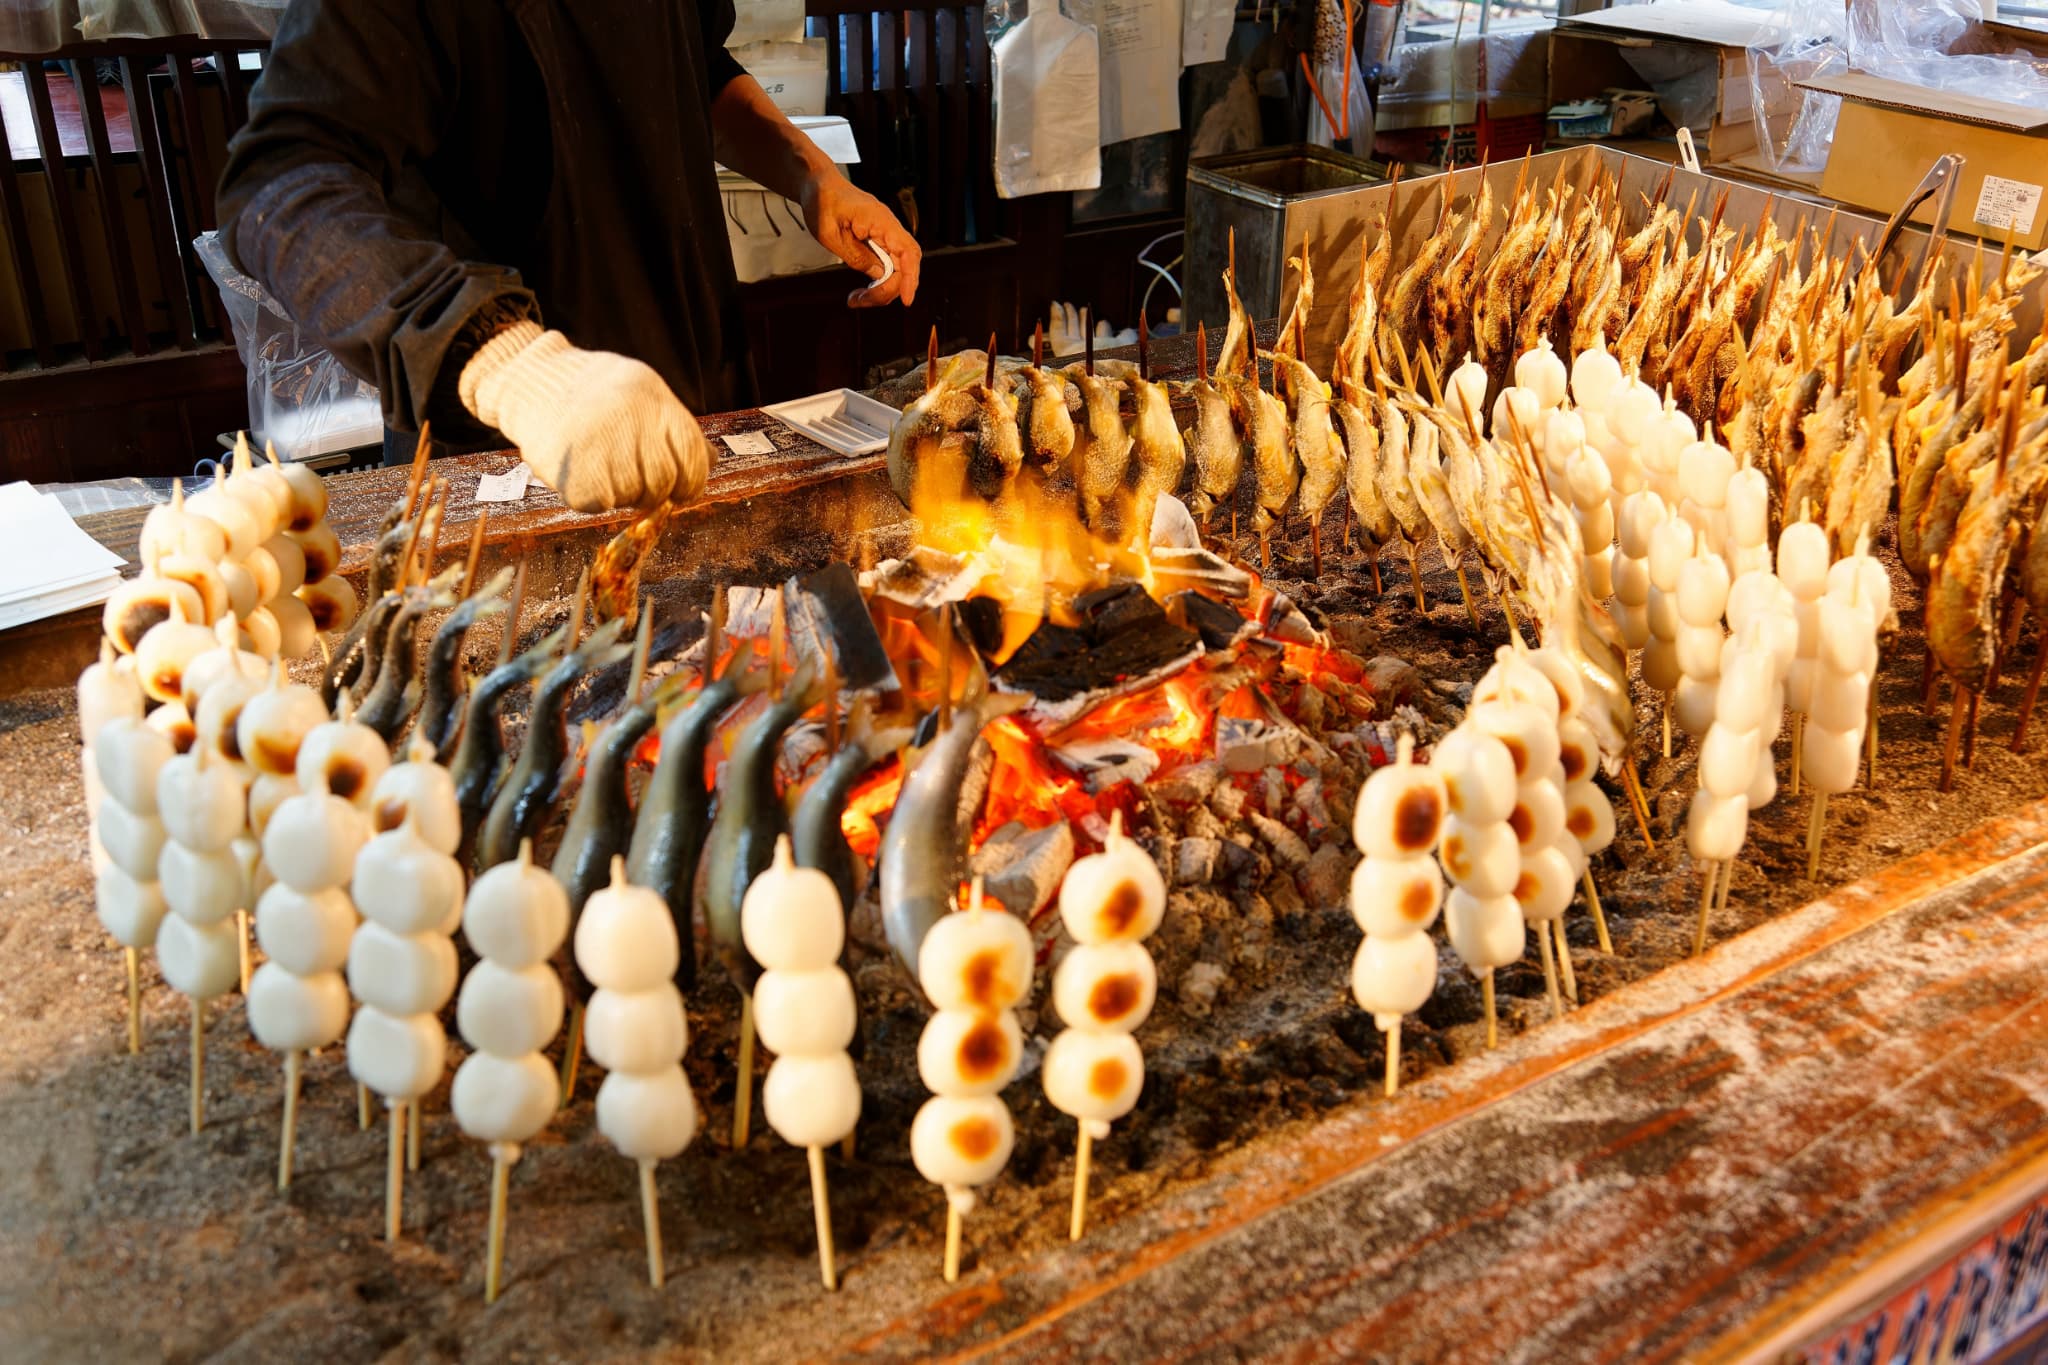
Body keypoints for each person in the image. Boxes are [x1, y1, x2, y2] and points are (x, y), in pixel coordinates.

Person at [218, 1, 921, 513]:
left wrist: (812, 176)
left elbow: (698, 65)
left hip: (696, 396)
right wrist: (515, 370)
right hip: (514, 447)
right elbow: (278, 185)